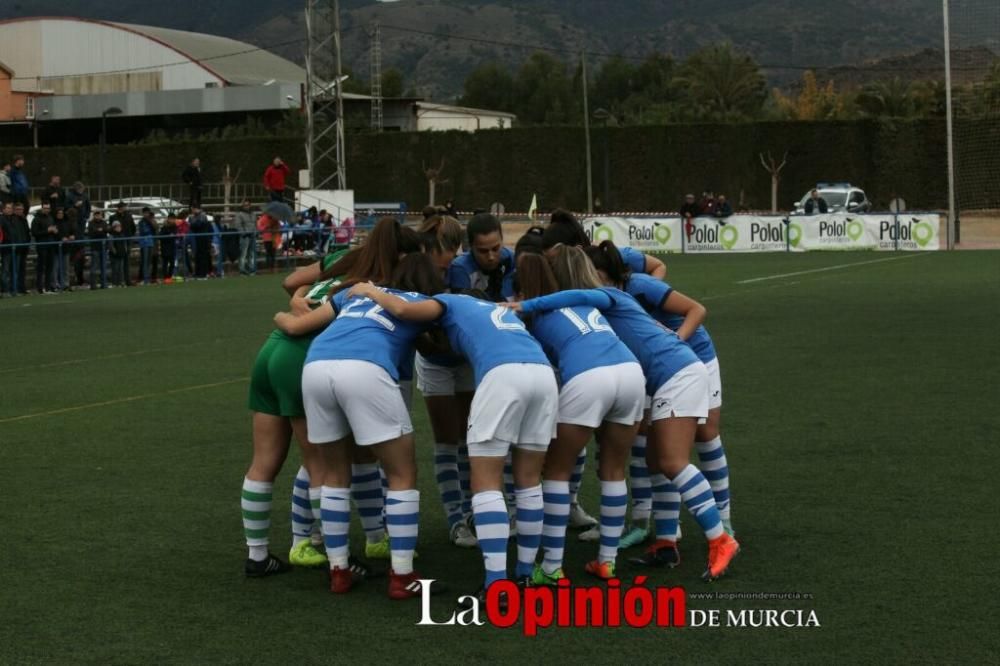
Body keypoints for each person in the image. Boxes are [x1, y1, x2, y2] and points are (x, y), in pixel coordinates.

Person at [513, 244, 740, 582]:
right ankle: (665, 544)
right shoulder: (599, 308)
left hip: (676, 374)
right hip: (659, 376)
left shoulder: (608, 295)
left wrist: (523, 305)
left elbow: (568, 300)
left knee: (672, 461)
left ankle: (720, 537)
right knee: (654, 460)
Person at [349, 281, 559, 608]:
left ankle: (496, 585)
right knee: (529, 480)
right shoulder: (496, 309)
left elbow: (404, 309)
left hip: (503, 375)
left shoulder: (447, 301)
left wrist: (370, 291)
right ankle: (525, 574)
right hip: (543, 375)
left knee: (486, 481)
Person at [294, 252, 447, 599]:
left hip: (316, 365)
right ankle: (402, 575)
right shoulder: (425, 301)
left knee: (334, 473)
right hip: (364, 368)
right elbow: (440, 343)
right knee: (402, 474)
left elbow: (304, 312)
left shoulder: (355, 294)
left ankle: (339, 570)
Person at [586, 241, 735, 552]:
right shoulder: (598, 294)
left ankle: (724, 520)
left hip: (693, 355)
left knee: (705, 435)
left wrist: (675, 339)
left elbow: (697, 309)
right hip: (653, 366)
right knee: (647, 439)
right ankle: (654, 527)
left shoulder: (639, 284)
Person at [513, 253, 645, 583]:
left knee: (557, 470)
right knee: (614, 469)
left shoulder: (536, 312)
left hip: (589, 378)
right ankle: (607, 561)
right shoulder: (590, 304)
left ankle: (552, 565)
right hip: (631, 373)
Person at [409, 215, 476, 548]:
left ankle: (472, 511)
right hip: (435, 361)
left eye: (455, 247)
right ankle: (455, 519)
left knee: (469, 436)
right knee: (447, 440)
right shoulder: (415, 272)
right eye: (447, 247)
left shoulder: (461, 269)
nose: (452, 255)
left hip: (465, 359)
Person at [30, 201, 57, 293]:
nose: (47, 210)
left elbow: (52, 229)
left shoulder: (50, 218)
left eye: (48, 208)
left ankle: (48, 287)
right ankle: (40, 288)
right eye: (45, 208)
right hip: (42, 245)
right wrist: (47, 230)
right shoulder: (36, 219)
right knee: (41, 267)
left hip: (50, 245)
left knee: (50, 267)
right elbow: (34, 233)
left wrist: (54, 231)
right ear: (42, 208)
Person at [109, 202, 136, 286]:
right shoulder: (113, 217)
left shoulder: (129, 216)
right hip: (117, 241)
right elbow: (112, 229)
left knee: (126, 262)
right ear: (119, 208)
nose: (124, 208)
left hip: (127, 240)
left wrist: (130, 236)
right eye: (123, 207)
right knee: (118, 264)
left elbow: (133, 227)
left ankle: (127, 280)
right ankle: (117, 282)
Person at [54, 207, 76, 291]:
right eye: (59, 213)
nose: (60, 215)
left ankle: (66, 284)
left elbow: (72, 231)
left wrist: (72, 235)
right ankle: (56, 284)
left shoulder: (67, 222)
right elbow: (54, 234)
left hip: (66, 248)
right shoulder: (54, 222)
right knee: (56, 268)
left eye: (61, 213)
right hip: (56, 248)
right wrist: (61, 238)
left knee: (66, 267)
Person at [233, 200, 257, 275]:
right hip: (244, 237)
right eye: (245, 205)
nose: (247, 206)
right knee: (243, 254)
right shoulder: (239, 214)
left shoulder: (253, 214)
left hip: (252, 236)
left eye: (248, 205)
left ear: (250, 205)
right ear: (242, 206)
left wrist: (256, 232)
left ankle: (251, 269)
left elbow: (255, 224)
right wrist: (243, 233)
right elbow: (238, 225)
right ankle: (242, 270)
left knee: (252, 254)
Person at [188, 207, 212, 279]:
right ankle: (198, 273)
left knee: (203, 256)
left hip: (203, 239)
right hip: (197, 239)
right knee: (198, 256)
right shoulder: (194, 217)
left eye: (193, 209)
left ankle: (203, 273)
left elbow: (197, 225)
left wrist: (191, 224)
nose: (192, 211)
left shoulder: (202, 216)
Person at [11, 202, 29, 294]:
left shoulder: (23, 219)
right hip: (16, 249)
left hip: (24, 248)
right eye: (18, 209)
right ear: (14, 210)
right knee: (15, 270)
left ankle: (22, 288)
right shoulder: (12, 220)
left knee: (22, 270)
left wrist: (27, 244)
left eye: (21, 209)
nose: (20, 211)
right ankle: (15, 288)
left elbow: (27, 232)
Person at [87, 211, 109, 290]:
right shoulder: (91, 223)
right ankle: (93, 285)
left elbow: (107, 230)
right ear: (94, 216)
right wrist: (100, 231)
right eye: (96, 215)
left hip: (103, 247)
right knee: (94, 266)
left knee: (103, 266)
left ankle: (104, 284)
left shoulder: (104, 222)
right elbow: (92, 233)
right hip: (95, 247)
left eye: (99, 215)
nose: (98, 216)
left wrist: (100, 230)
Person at [137, 208, 158, 284]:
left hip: (151, 242)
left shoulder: (151, 220)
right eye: (145, 213)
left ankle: (147, 278)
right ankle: (144, 278)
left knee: (149, 261)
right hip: (144, 243)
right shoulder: (141, 222)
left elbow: (156, 228)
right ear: (143, 213)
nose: (146, 214)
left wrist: (151, 221)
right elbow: (144, 231)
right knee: (144, 261)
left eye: (147, 213)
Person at [108, 221, 128, 287]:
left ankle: (121, 282)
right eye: (117, 227)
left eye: (119, 226)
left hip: (121, 254)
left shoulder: (122, 235)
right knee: (115, 269)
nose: (119, 228)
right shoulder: (111, 236)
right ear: (114, 228)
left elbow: (124, 244)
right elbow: (111, 246)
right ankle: (115, 283)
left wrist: (125, 251)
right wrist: (115, 252)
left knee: (121, 269)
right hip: (115, 256)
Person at [159, 214, 178, 282]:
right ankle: (165, 277)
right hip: (165, 248)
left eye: (174, 219)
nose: (173, 220)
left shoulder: (175, 226)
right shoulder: (164, 227)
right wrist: (169, 236)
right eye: (171, 219)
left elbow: (175, 235)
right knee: (165, 263)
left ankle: (169, 276)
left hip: (172, 247)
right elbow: (160, 236)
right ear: (168, 219)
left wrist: (173, 236)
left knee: (172, 263)